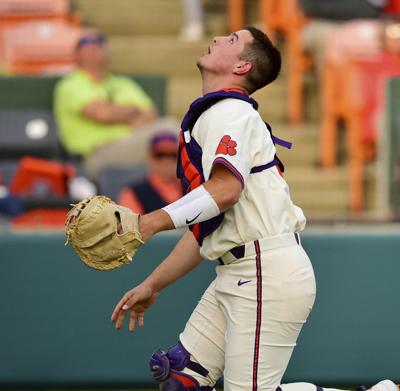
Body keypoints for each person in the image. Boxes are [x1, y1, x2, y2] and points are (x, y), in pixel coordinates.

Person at [110, 27, 397, 391]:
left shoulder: (230, 112)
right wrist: (154, 284)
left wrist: (149, 222)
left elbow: (225, 190)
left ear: (243, 65)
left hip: (263, 270)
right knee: (180, 380)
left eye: (231, 39)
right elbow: (208, 230)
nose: (218, 38)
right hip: (242, 269)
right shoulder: (220, 113)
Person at [54, 32, 178, 180]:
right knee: (169, 129)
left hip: (132, 144)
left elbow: (150, 114)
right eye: (87, 43)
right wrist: (132, 111)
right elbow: (102, 114)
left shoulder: (122, 83)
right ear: (76, 55)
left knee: (171, 135)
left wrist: (116, 113)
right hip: (96, 155)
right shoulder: (71, 84)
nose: (96, 47)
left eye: (100, 43)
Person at [117, 132, 182, 214]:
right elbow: (129, 225)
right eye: (160, 155)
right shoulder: (132, 193)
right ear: (149, 158)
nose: (166, 161)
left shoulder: (190, 188)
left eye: (173, 155)